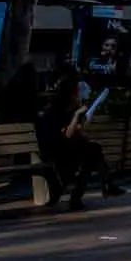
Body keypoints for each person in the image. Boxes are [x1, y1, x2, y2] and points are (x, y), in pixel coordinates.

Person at [35, 77, 123, 209]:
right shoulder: (56, 110)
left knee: (92, 154)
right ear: (71, 93)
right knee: (93, 151)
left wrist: (88, 114)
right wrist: (77, 114)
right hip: (56, 150)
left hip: (65, 147)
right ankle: (103, 185)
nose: (78, 95)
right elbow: (68, 134)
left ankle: (100, 186)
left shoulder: (65, 106)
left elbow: (79, 128)